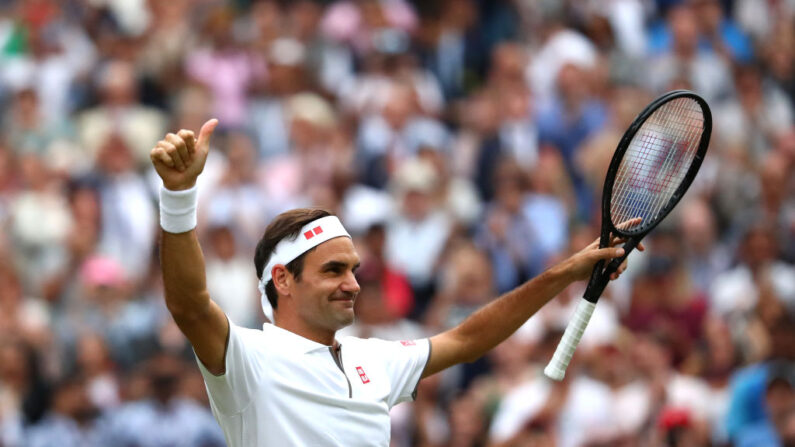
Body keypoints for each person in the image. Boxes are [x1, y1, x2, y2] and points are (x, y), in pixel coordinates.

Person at [148, 119, 638, 446]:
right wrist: (179, 194)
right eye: (333, 270)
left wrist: (567, 272)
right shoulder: (247, 360)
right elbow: (189, 305)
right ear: (284, 280)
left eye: (353, 270)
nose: (353, 284)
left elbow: (469, 338)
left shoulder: (373, 356)